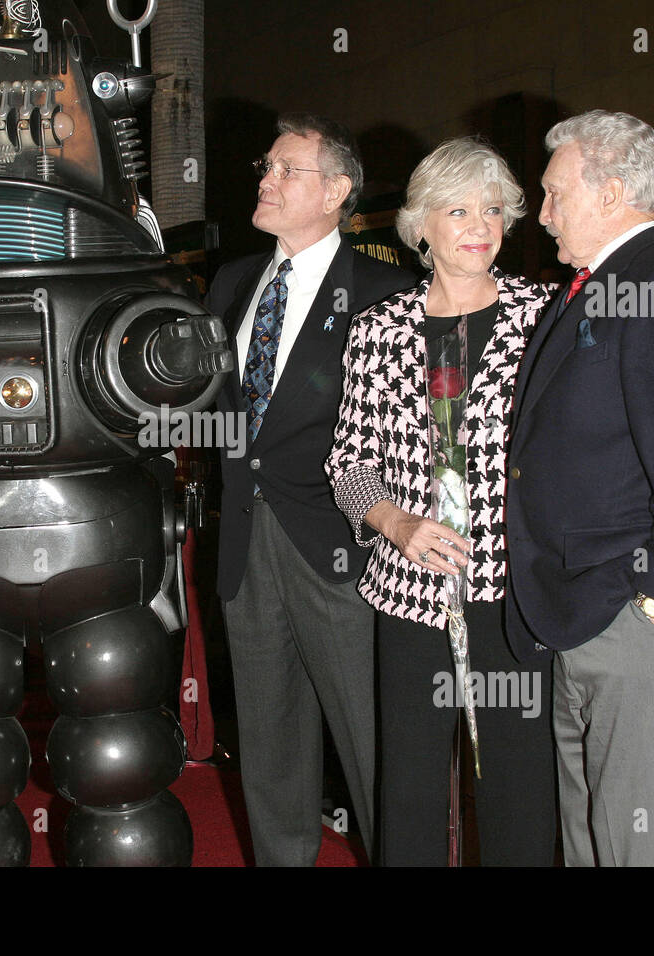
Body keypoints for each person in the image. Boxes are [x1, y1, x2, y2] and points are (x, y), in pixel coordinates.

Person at [506, 110, 654, 866]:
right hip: (578, 611)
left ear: (608, 194)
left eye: (553, 193)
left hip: (628, 617)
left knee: (633, 850)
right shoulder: (598, 286)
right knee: (589, 843)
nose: (540, 214)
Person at [326, 137, 556, 865]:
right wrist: (396, 523)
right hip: (411, 594)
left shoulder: (544, 318)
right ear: (421, 225)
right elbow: (349, 461)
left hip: (513, 592)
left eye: (492, 208)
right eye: (457, 209)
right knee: (413, 788)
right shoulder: (378, 330)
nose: (478, 224)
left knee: (518, 782)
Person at [209, 113, 413, 865]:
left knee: (372, 746)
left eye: (284, 170)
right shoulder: (232, 283)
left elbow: (407, 434)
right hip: (244, 550)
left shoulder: (387, 292)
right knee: (268, 747)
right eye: (266, 166)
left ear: (336, 191)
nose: (263, 179)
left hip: (345, 550)